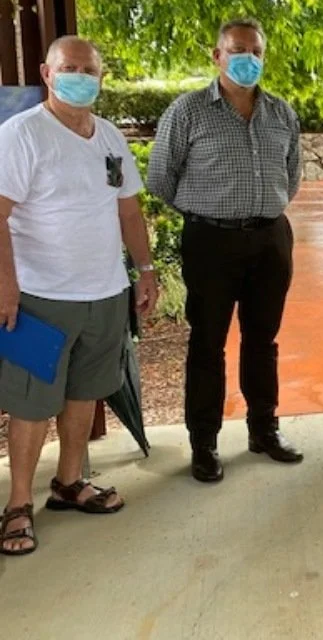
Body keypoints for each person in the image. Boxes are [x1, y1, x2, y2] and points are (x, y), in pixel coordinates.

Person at [0, 36, 158, 556]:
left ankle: (69, 483)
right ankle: (17, 506)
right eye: (69, 68)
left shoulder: (108, 136)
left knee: (84, 391)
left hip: (105, 293)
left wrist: (145, 270)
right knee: (31, 404)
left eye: (89, 70)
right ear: (47, 74)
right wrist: (5, 284)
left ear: (101, 78)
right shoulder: (21, 135)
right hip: (39, 298)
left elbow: (128, 210)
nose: (80, 77)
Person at [147, 18, 303, 483]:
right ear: (217, 55)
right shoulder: (188, 111)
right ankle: (204, 443)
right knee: (207, 343)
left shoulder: (281, 113)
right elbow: (160, 178)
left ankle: (264, 429)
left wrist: (260, 210)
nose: (247, 58)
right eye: (237, 50)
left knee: (263, 340)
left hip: (270, 240)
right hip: (210, 242)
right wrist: (206, 214)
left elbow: (291, 176)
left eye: (256, 51)